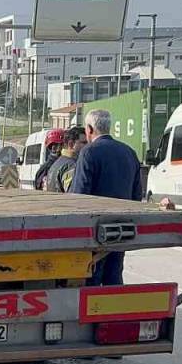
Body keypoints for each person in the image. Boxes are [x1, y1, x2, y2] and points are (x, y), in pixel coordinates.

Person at [70, 110, 144, 285]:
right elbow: (137, 195)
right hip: (122, 229)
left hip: (94, 232)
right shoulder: (129, 152)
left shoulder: (88, 152)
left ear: (89, 129)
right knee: (114, 277)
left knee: (92, 280)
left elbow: (79, 196)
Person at [45, 126, 87, 193]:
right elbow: (74, 193)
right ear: (71, 144)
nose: (88, 146)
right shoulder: (71, 166)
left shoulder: (56, 164)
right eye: (84, 143)